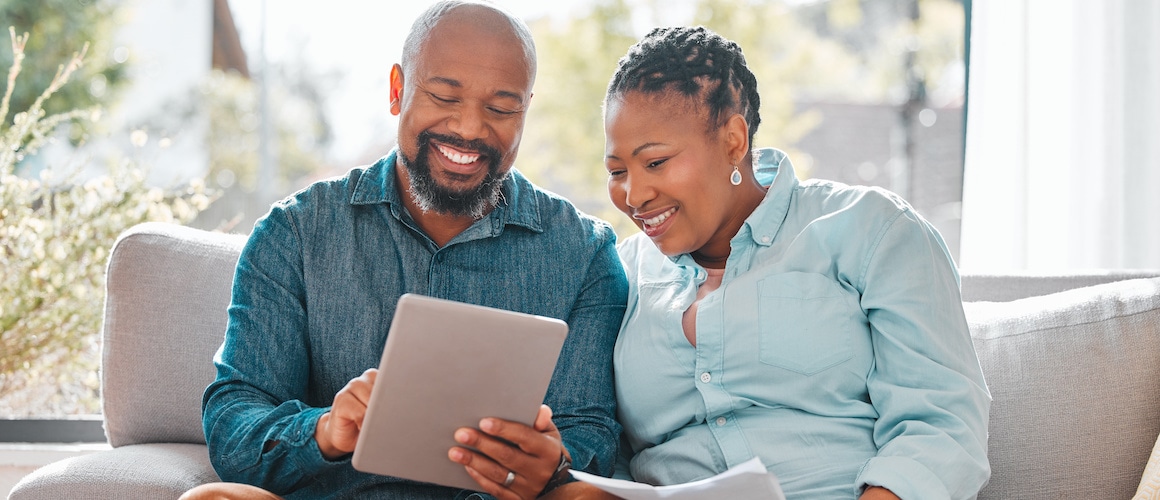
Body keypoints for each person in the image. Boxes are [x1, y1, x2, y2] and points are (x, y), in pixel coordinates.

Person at [181, 2, 628, 499]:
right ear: (398, 91)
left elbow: (590, 429)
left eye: (501, 108)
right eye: (443, 96)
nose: (470, 129)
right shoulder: (296, 231)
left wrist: (554, 462)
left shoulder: (584, 251)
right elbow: (236, 414)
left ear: (525, 109)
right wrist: (324, 431)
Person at [594, 26, 991, 499]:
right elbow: (607, 450)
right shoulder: (619, 274)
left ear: (733, 141)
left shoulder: (872, 230)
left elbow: (943, 422)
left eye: (655, 162)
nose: (634, 195)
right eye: (617, 172)